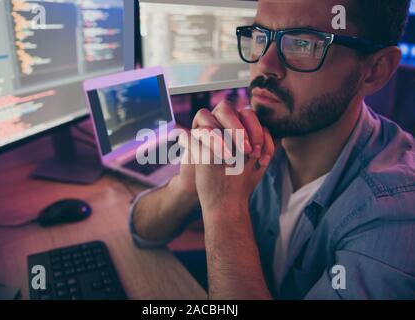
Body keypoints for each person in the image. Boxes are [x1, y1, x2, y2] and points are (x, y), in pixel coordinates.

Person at [129, 0, 415, 299]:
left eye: (303, 44)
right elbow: (142, 230)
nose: (265, 64)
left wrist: (224, 209)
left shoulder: (398, 214)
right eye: (259, 36)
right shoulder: (252, 137)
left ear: (375, 71)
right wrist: (188, 186)